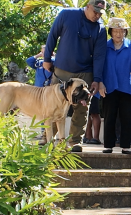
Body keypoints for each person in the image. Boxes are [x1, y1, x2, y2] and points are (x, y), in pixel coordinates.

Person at [43, 0, 107, 152]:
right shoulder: (67, 15)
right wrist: (46, 59)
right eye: (95, 12)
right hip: (62, 70)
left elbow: (99, 56)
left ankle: (75, 141)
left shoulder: (100, 28)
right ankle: (48, 138)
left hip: (85, 72)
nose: (97, 15)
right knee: (53, 105)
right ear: (88, 6)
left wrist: (97, 79)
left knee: (82, 108)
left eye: (100, 13)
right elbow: (53, 35)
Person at [98, 17, 131, 154]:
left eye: (121, 31)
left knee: (126, 117)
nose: (118, 34)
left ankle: (125, 146)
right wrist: (100, 82)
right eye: (115, 31)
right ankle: (108, 145)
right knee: (109, 116)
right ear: (111, 32)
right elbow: (99, 66)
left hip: (126, 86)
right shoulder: (104, 46)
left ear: (125, 32)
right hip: (109, 86)